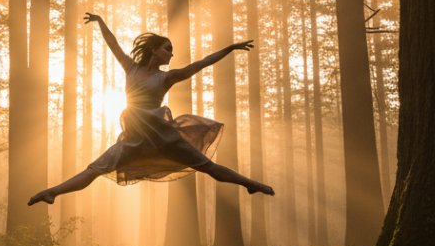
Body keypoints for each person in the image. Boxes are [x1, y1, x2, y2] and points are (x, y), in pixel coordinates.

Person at [28, 12, 274, 205]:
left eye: (172, 50)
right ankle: (52, 192)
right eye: (168, 48)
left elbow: (200, 64)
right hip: (135, 138)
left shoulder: (167, 77)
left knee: (207, 167)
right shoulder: (131, 68)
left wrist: (228, 49)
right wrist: (101, 21)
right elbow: (112, 44)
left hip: (162, 136)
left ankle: (250, 183)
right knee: (95, 169)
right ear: (154, 49)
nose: (171, 54)